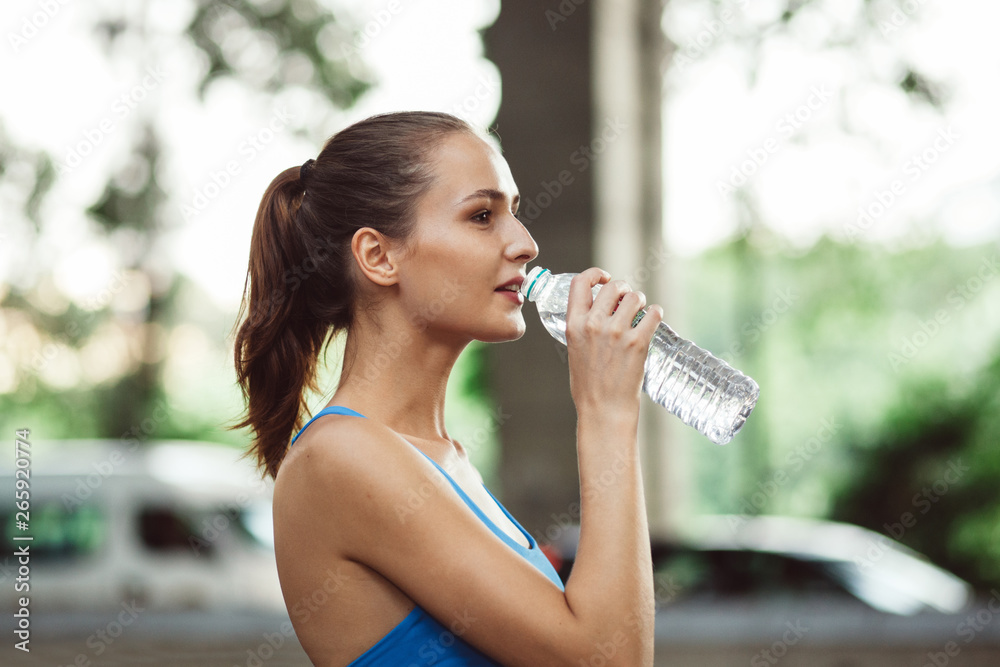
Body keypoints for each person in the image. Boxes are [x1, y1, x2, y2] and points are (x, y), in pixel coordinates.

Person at [232, 111, 663, 666]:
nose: (526, 244)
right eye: (483, 215)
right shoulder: (341, 458)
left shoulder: (442, 459)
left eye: (516, 213)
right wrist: (606, 411)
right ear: (378, 256)